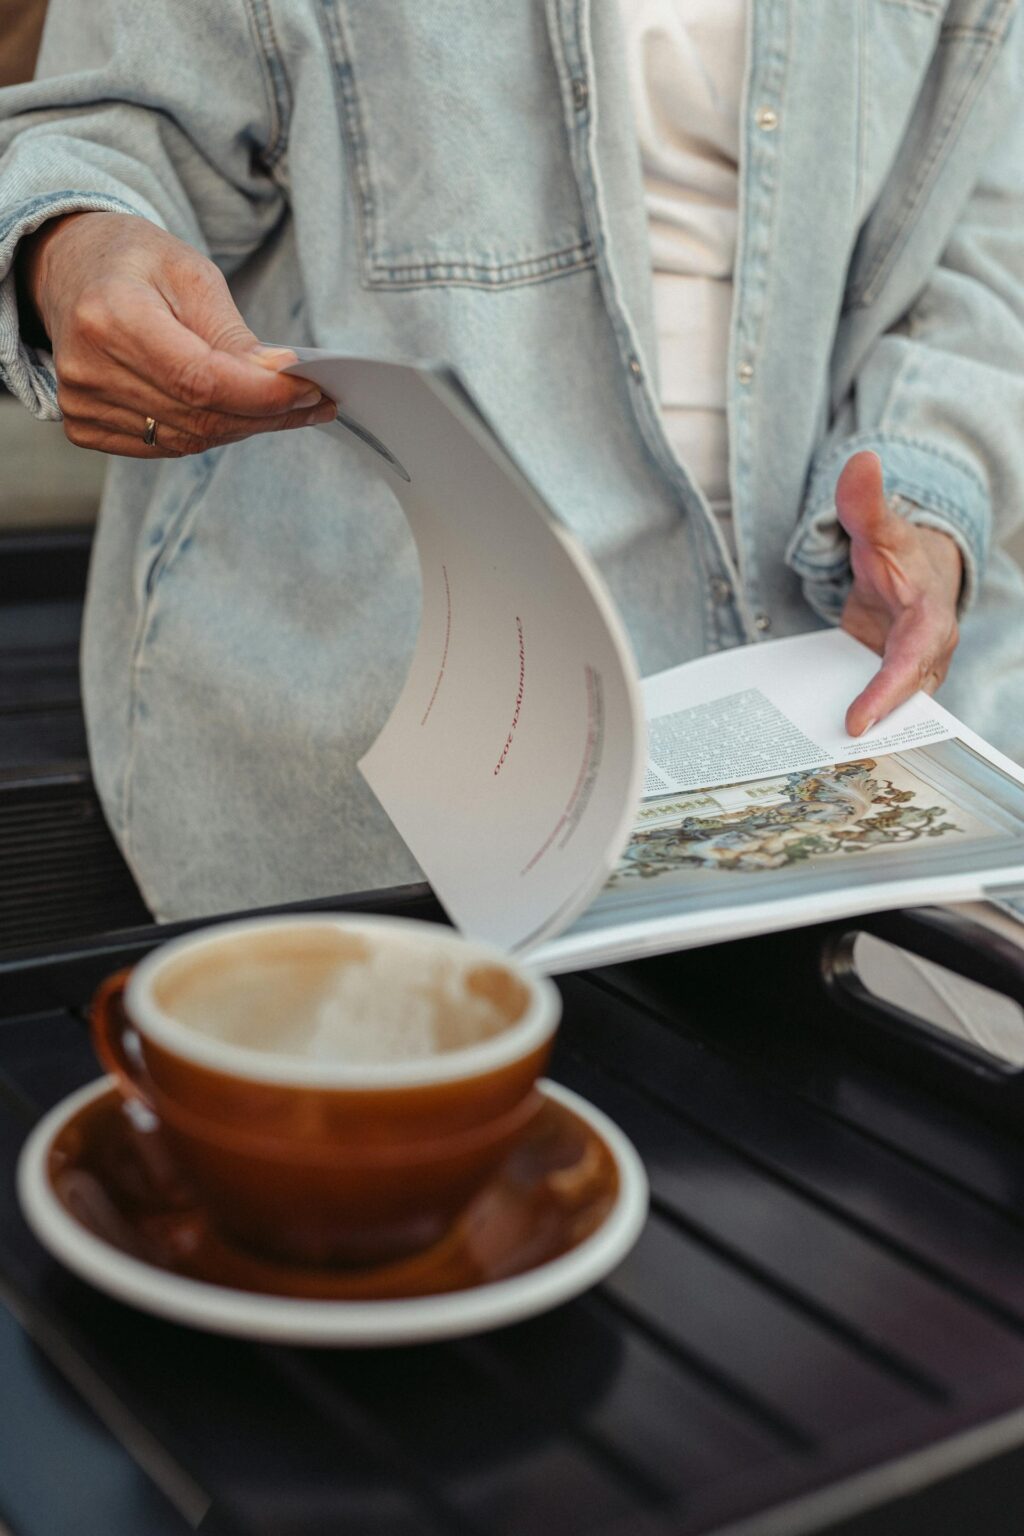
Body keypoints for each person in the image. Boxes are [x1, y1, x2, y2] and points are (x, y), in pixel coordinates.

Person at [0, 0, 1022, 923]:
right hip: (373, 748)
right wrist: (72, 251)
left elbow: (984, 229)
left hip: (848, 715)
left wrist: (930, 495)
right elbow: (105, 129)